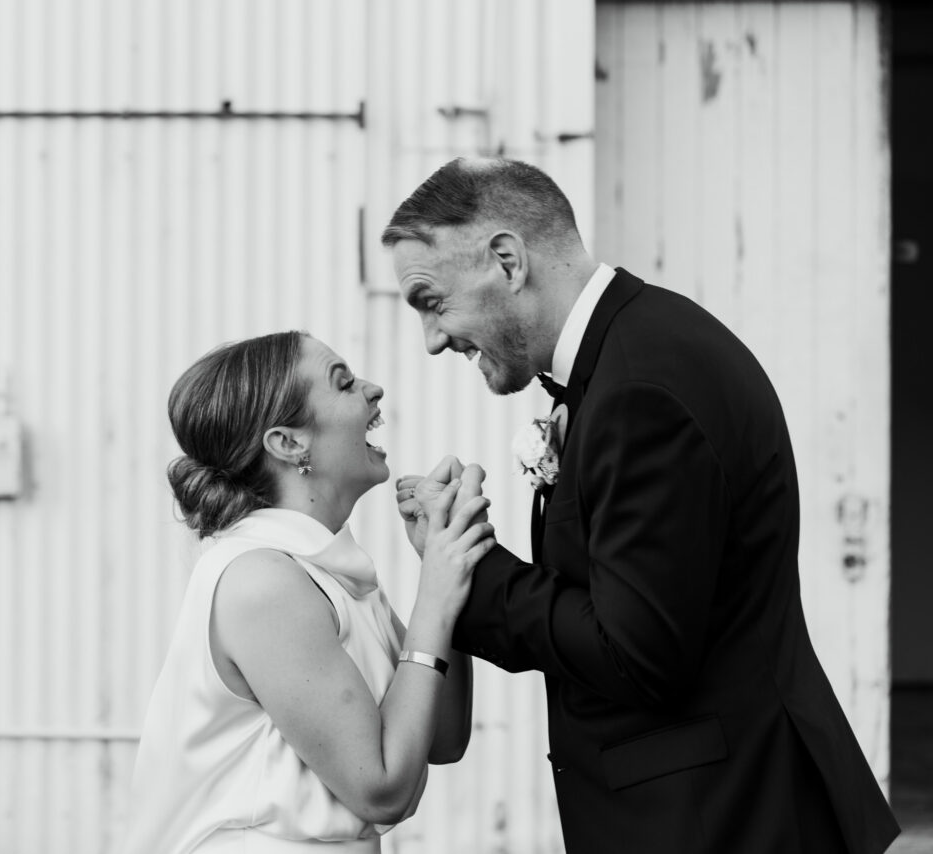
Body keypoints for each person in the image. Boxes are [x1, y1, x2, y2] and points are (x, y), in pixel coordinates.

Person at [382, 157, 901, 854]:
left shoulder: (639, 389)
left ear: (508, 261)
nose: (433, 340)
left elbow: (638, 654)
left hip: (721, 818)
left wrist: (467, 568)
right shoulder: (638, 349)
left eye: (432, 301)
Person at [122, 331, 495, 854]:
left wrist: (440, 563)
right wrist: (434, 593)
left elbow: (441, 738)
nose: (374, 389)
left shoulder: (330, 570)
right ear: (288, 443)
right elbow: (382, 790)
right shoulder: (262, 579)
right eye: (344, 384)